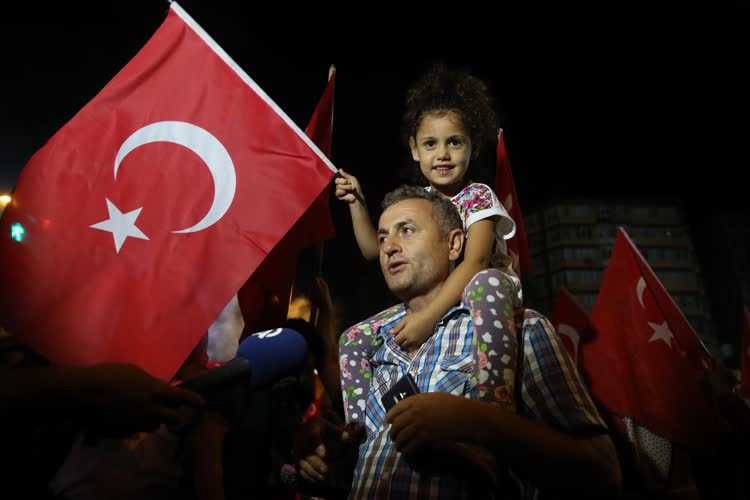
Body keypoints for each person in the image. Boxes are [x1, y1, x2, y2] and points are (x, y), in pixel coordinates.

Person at [299, 186, 621, 499]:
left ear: (454, 245)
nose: (389, 247)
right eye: (383, 237)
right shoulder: (371, 348)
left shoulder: (520, 331)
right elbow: (362, 471)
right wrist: (330, 463)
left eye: (407, 231)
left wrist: (476, 421)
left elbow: (603, 473)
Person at [335, 63, 521, 424]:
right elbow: (374, 250)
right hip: (435, 299)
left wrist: (427, 318)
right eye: (431, 144)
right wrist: (357, 203)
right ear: (415, 149)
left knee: (487, 282)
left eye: (455, 142)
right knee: (354, 338)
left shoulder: (478, 197)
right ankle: (358, 433)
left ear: (473, 148)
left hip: (481, 295)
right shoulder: (418, 202)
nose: (443, 154)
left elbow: (475, 263)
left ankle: (494, 406)